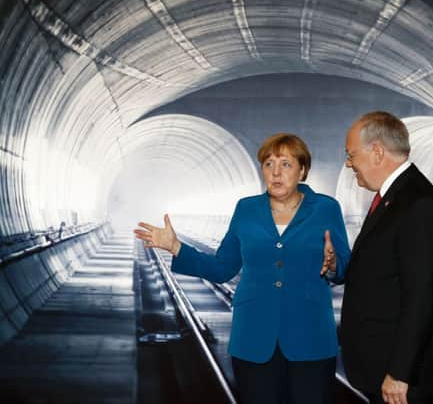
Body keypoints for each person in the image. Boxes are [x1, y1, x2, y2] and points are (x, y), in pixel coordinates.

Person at [134, 133, 350, 404]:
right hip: (254, 337)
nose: (276, 172)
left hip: (311, 337)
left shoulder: (326, 209)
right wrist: (177, 248)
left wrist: (332, 266)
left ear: (302, 170)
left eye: (286, 164)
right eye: (269, 164)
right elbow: (223, 267)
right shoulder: (246, 209)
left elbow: (344, 268)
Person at [336, 112, 433, 404]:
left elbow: (422, 297)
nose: (348, 163)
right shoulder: (394, 198)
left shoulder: (420, 204)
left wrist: (400, 373)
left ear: (377, 152)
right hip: (381, 368)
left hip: (405, 380)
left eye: (352, 155)